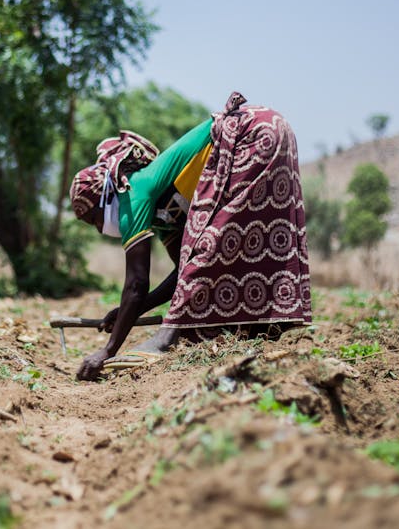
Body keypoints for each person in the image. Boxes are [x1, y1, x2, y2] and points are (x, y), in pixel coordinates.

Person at [69, 92, 311, 381]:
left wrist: (108, 350)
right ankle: (262, 327)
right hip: (271, 128)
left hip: (250, 134)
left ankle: (167, 337)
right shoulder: (162, 214)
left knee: (211, 244)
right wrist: (128, 312)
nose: (99, 229)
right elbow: (183, 277)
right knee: (250, 240)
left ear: (104, 196)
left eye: (93, 219)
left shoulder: (133, 194)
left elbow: (136, 284)